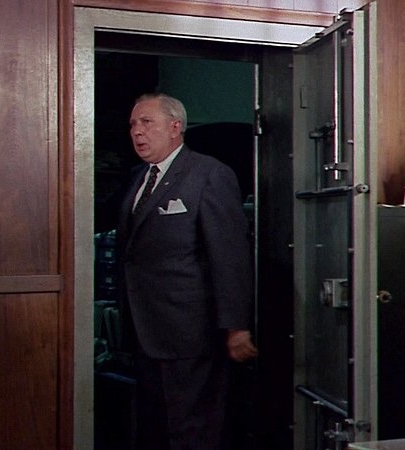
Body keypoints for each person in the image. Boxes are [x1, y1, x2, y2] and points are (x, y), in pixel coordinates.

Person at [112, 92, 259, 449]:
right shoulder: (137, 178)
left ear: (175, 127)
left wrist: (236, 326)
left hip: (191, 334)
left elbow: (229, 257)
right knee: (155, 430)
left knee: (192, 430)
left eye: (147, 123)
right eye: (133, 124)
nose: (137, 132)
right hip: (145, 333)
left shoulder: (208, 175)